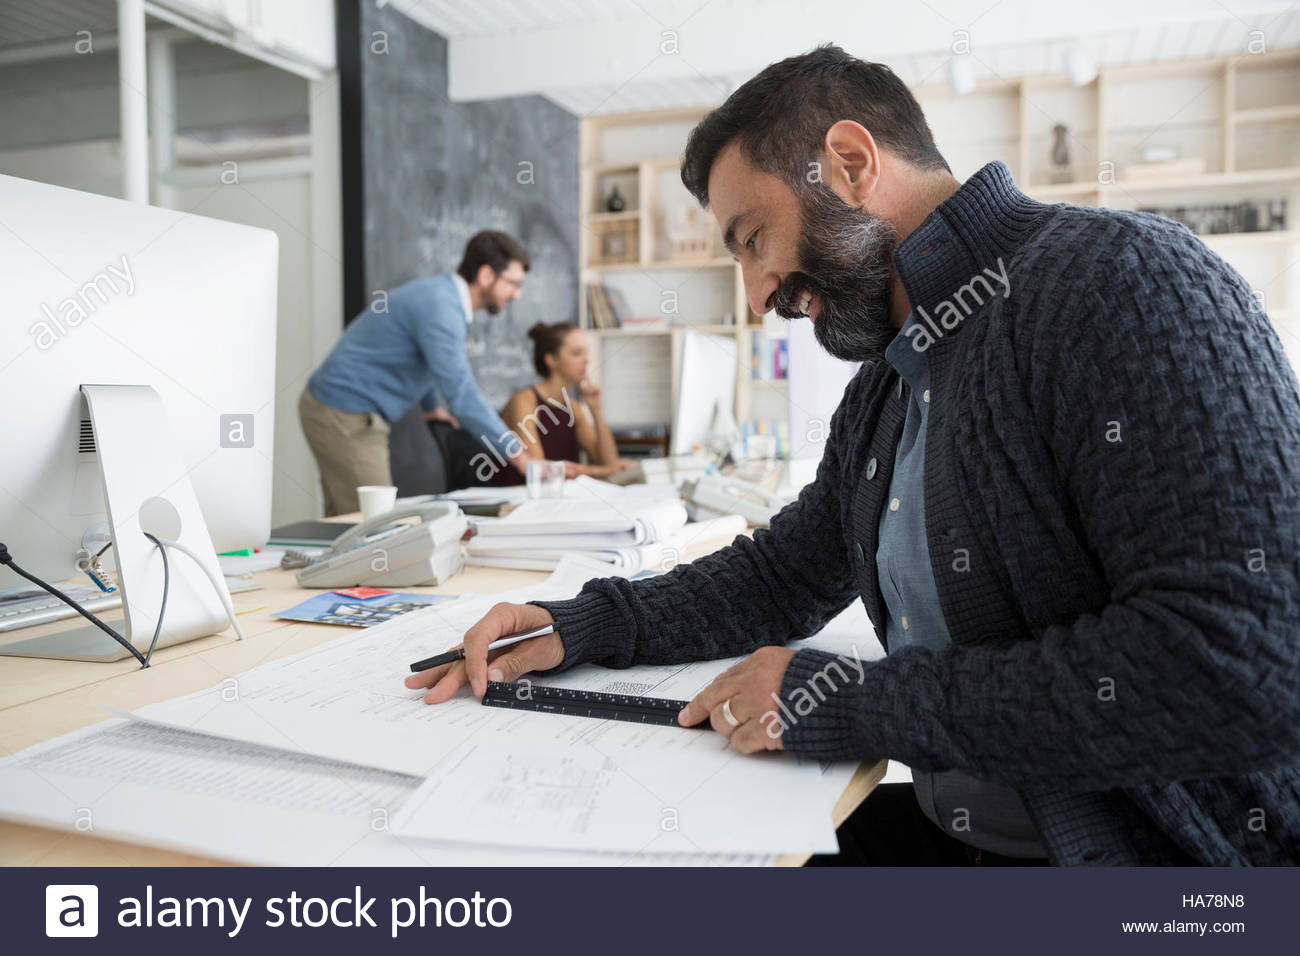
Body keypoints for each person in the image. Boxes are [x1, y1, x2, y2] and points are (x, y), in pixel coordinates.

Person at [405, 46, 1300, 865]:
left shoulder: (1126, 283)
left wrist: (855, 702)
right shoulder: (890, 377)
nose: (756, 294)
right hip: (978, 829)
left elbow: (1241, 663)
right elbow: (781, 575)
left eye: (751, 237)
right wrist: (582, 625)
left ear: (850, 162)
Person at [300, 231, 537, 515]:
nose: (517, 294)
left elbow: (422, 361)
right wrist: (517, 454)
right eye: (513, 283)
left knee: (347, 521)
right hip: (344, 413)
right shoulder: (443, 309)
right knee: (374, 526)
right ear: (486, 276)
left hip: (336, 409)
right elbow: (462, 395)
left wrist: (431, 407)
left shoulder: (441, 296)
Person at [484, 322, 634, 484]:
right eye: (577, 353)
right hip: (516, 498)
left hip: (554, 498)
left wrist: (596, 410)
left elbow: (608, 463)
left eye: (586, 353)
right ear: (552, 359)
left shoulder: (573, 407)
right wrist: (604, 471)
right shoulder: (524, 400)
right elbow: (540, 468)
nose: (586, 360)